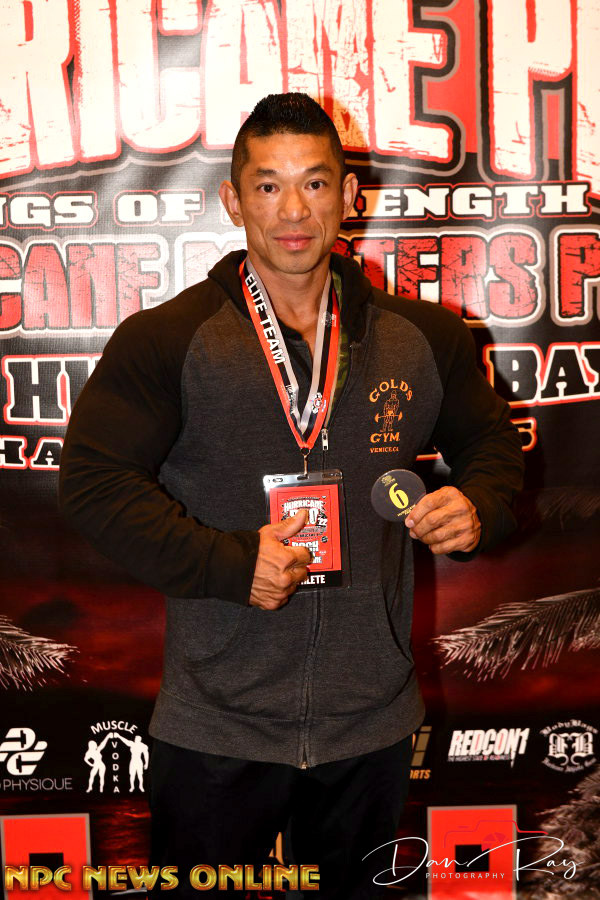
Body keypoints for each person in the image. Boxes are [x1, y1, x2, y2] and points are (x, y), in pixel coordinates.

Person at [59, 93, 524, 898]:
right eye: (268, 186)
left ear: (350, 196)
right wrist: (227, 563)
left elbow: (494, 451)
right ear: (233, 200)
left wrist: (478, 504)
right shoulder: (168, 340)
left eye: (314, 183)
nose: (294, 210)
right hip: (216, 727)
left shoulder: (424, 339)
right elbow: (94, 483)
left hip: (370, 724)